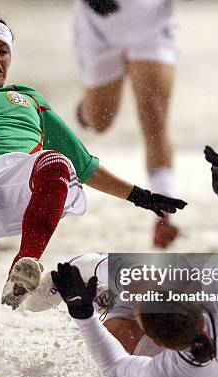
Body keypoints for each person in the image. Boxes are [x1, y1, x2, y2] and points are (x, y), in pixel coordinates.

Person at [0, 16, 187, 366]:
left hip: (21, 173)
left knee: (56, 162)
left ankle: (23, 264)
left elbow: (83, 163)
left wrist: (142, 196)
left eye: (3, 50)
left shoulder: (28, 98)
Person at [34, 146, 218, 377]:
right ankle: (109, 287)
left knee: (123, 318)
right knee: (162, 281)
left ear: (164, 346)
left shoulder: (174, 367)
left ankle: (97, 271)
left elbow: (116, 367)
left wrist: (86, 317)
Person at [74, 0, 180, 248]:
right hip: (100, 25)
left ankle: (165, 211)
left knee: (154, 117)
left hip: (152, 22)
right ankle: (88, 108)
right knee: (100, 121)